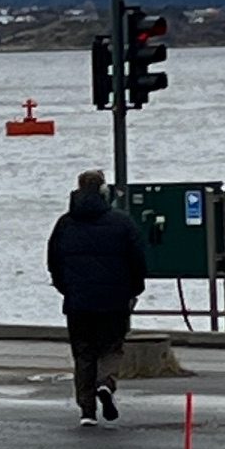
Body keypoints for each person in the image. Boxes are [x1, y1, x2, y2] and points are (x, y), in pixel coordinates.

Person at [46, 168, 147, 429]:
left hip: (78, 302)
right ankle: (105, 383)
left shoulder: (65, 224)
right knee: (111, 347)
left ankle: (87, 411)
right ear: (105, 191)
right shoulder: (122, 222)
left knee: (83, 354)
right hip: (114, 300)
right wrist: (133, 291)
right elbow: (137, 260)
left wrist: (66, 289)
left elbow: (54, 262)